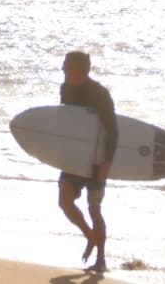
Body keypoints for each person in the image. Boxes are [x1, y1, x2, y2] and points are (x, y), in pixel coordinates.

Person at [57, 50, 117, 272]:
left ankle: (101, 259)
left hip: (96, 158)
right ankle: (90, 236)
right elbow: (68, 123)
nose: (63, 69)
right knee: (64, 201)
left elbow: (113, 129)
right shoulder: (66, 89)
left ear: (80, 70)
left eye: (66, 66)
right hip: (74, 157)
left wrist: (107, 162)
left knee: (94, 208)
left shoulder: (99, 94)